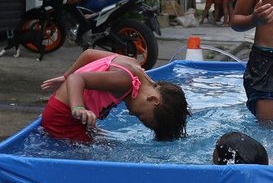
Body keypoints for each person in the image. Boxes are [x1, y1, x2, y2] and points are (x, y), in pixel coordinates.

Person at [39, 49, 189, 142]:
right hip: (62, 118)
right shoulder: (125, 80)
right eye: (139, 115)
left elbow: (89, 54)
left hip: (69, 115)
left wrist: (66, 76)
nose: (131, 113)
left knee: (102, 138)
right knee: (92, 153)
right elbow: (77, 79)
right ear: (152, 99)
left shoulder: (133, 64)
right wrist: (78, 107)